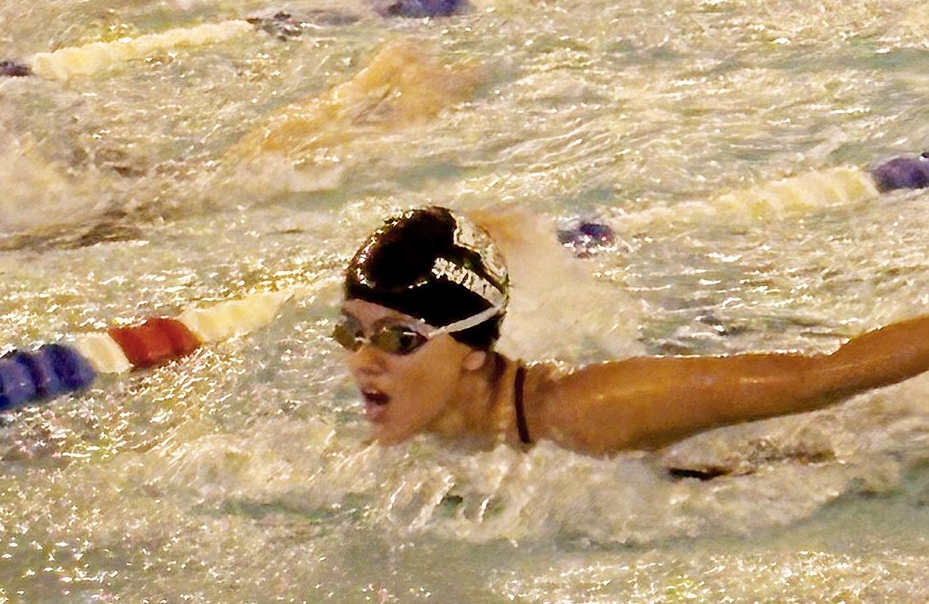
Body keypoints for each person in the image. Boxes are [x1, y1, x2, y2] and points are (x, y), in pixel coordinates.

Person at [334, 205, 929, 455]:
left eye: (395, 338)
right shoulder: (417, 421)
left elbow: (818, 380)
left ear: (469, 350)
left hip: (795, 455)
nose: (363, 361)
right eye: (351, 333)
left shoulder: (588, 412)